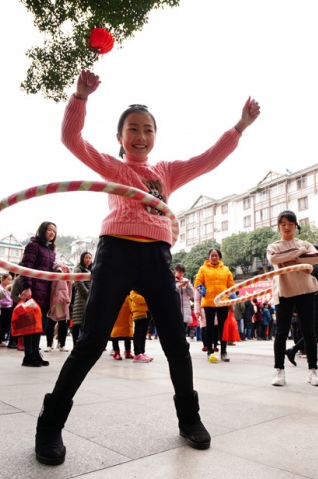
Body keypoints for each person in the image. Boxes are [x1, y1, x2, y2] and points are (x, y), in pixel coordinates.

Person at [33, 69, 260, 466]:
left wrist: (239, 126)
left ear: (155, 136)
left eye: (148, 130)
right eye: (133, 129)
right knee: (91, 342)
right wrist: (80, 96)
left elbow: (208, 159)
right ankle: (50, 424)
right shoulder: (115, 169)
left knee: (175, 342)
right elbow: (72, 140)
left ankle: (189, 418)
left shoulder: (166, 172)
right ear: (120, 138)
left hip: (157, 255)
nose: (141, 136)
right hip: (117, 251)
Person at [266, 210, 318, 387]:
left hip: (305, 289)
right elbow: (274, 258)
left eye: (290, 224)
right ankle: (279, 370)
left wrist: (291, 257)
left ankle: (313, 370)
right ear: (278, 226)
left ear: (295, 226)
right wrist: (300, 255)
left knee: (309, 331)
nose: (286, 227)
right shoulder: (274, 245)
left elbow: (317, 258)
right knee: (281, 332)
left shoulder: (304, 243)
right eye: (283, 224)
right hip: (284, 289)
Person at [19, 221, 57, 367]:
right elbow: (26, 267)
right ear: (42, 231)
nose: (52, 233)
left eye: (54, 231)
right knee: (30, 324)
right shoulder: (33, 245)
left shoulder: (51, 250)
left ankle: (35, 353)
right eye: (49, 230)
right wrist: (27, 287)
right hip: (34, 290)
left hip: (46, 292)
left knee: (39, 325)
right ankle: (28, 355)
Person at [195, 248, 234, 363]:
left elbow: (231, 286)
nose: (214, 257)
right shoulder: (203, 269)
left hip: (223, 302)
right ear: (208, 257)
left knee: (223, 328)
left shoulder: (226, 269)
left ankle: (223, 352)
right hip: (209, 302)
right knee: (209, 327)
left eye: (216, 255)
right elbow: (197, 283)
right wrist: (205, 293)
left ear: (219, 257)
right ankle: (210, 351)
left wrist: (232, 302)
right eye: (212, 255)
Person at [48, 263, 72, 352]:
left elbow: (69, 289)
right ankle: (51, 344)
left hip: (62, 301)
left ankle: (60, 344)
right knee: (53, 323)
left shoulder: (67, 275)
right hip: (57, 300)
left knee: (62, 324)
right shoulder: (56, 273)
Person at [70, 252, 92, 343]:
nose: (88, 260)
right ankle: (75, 344)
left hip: (89, 298)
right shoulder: (78, 269)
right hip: (81, 299)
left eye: (90, 258)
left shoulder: (90, 270)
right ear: (82, 258)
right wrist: (89, 295)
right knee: (78, 323)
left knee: (86, 324)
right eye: (86, 258)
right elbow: (79, 284)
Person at [130, 289, 153, 362]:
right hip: (139, 313)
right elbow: (135, 298)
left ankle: (142, 352)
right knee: (138, 333)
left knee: (143, 334)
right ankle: (137, 353)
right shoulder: (134, 290)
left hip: (146, 313)